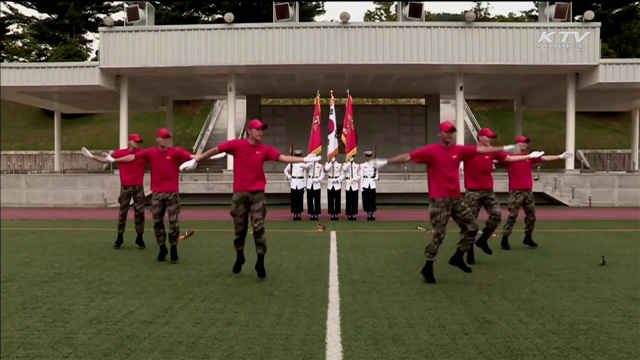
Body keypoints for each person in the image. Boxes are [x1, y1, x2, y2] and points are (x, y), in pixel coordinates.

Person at [367, 121, 523, 284]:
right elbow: (408, 157)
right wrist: (385, 162)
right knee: (440, 234)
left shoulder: (459, 150)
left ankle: (458, 256)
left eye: (452, 132)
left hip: (455, 199)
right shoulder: (431, 150)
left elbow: (481, 149)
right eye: (446, 132)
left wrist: (504, 149)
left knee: (472, 227)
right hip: (439, 201)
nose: (449, 135)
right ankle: (428, 265)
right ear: (440, 134)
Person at [183, 119, 321, 279]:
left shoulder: (265, 149)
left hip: (257, 194)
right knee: (239, 229)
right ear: (249, 130)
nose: (260, 132)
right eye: (257, 129)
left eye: (262, 130)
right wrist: (196, 159)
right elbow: (215, 149)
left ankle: (260, 261)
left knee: (258, 228)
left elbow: (283, 158)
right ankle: (240, 255)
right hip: (240, 194)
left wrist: (304, 160)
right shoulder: (237, 145)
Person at [93, 128, 221, 264]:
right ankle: (162, 248)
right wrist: (115, 160)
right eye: (163, 137)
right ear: (158, 139)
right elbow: (132, 157)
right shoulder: (151, 153)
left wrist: (206, 156)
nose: (165, 140)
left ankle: (173, 248)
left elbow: (194, 157)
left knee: (174, 223)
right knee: (157, 223)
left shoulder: (176, 152)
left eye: (167, 138)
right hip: (157, 194)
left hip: (172, 193)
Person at [462, 128, 544, 264]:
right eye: (488, 137)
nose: (490, 140)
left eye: (491, 137)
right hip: (473, 192)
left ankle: (483, 240)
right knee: (471, 223)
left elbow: (510, 158)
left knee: (497, 215)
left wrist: (529, 156)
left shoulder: (493, 152)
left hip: (488, 191)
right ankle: (469, 249)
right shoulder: (469, 151)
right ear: (480, 137)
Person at [499, 136, 572, 250]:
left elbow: (544, 158)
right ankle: (505, 238)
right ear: (517, 144)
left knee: (531, 216)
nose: (525, 145)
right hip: (516, 191)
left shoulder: (529, 157)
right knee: (513, 215)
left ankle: (528, 237)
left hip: (528, 191)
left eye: (526, 143)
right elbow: (497, 159)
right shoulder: (511, 157)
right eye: (523, 143)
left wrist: (560, 156)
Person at [82, 133, 147, 249]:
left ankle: (140, 237)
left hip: (138, 186)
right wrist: (92, 157)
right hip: (126, 186)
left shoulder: (141, 153)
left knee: (140, 213)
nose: (137, 143)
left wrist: (114, 160)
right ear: (129, 141)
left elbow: (121, 159)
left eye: (138, 141)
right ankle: (120, 236)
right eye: (135, 141)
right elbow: (106, 160)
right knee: (123, 212)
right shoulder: (121, 152)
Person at [284, 150, 307, 221]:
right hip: (294, 182)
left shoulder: (303, 164)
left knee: (299, 199)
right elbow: (285, 170)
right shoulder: (291, 164)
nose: (297, 157)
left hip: (300, 182)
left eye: (298, 155)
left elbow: (305, 175)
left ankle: (299, 214)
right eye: (296, 155)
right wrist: (288, 176)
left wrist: (305, 185)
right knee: (294, 199)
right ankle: (295, 214)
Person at [359, 150, 379, 221]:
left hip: (372, 183)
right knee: (366, 199)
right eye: (367, 156)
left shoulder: (375, 165)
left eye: (370, 156)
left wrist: (375, 176)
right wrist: (361, 187)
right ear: (365, 157)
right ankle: (368, 213)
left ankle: (372, 213)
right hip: (365, 183)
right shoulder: (362, 165)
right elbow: (361, 176)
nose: (369, 158)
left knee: (372, 199)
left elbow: (377, 176)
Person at [342, 155, 360, 221]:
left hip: (354, 184)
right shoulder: (346, 165)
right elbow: (344, 169)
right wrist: (349, 163)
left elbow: (359, 175)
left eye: (352, 157)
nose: (352, 158)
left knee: (354, 200)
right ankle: (349, 214)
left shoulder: (357, 166)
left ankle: (354, 214)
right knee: (348, 200)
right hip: (348, 184)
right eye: (350, 157)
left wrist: (354, 179)